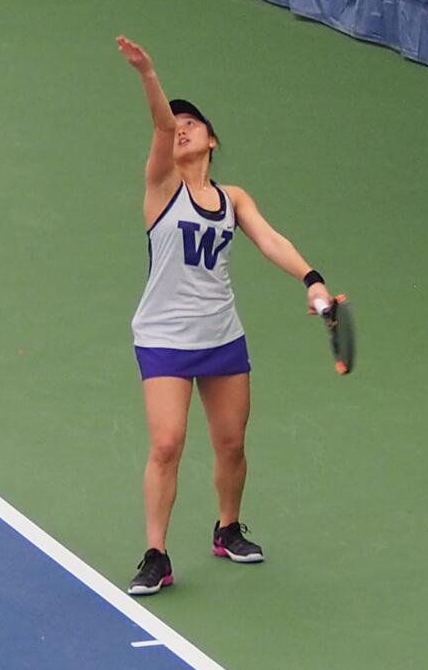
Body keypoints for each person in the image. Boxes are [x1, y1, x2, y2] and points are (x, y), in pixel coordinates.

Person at [116, 36, 332, 596]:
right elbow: (161, 128)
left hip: (221, 336)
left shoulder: (233, 198)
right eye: (176, 122)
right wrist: (148, 72)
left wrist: (312, 279)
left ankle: (228, 528)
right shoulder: (162, 188)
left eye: (193, 123)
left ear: (212, 139)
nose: (181, 127)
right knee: (167, 444)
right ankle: (156, 555)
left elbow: (270, 240)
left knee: (232, 443)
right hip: (163, 337)